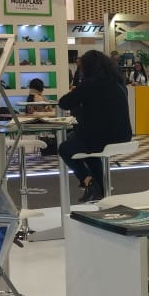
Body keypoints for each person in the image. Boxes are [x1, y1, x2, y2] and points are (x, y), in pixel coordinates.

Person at [57, 50, 132, 202]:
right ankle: (99, 191)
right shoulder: (119, 83)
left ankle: (88, 181)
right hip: (124, 136)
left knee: (65, 148)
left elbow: (64, 103)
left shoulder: (90, 84)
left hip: (101, 137)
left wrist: (77, 91)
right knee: (91, 153)